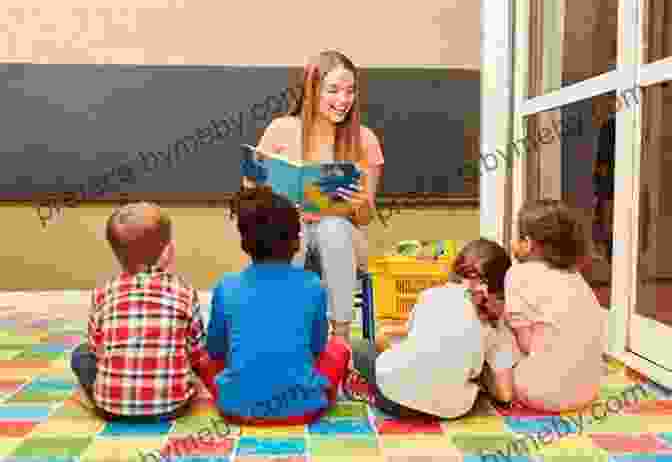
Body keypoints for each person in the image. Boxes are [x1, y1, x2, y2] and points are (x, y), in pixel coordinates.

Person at [245, 50, 385, 343]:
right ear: (312, 90)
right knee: (292, 227)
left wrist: (360, 204)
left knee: (332, 228)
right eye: (333, 90)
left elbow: (366, 218)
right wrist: (272, 198)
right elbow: (251, 191)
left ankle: (341, 338)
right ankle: (283, 332)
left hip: (343, 239)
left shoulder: (365, 139)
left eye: (350, 91)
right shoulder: (281, 130)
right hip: (291, 231)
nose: (343, 100)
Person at [206, 186, 351, 425]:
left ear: (245, 243)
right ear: (296, 242)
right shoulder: (313, 285)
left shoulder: (226, 286)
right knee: (340, 349)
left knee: (203, 357)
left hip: (236, 408)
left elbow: (215, 351)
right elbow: (317, 349)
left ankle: (242, 390)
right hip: (303, 408)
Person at [70, 202, 218, 420]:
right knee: (183, 349)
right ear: (167, 252)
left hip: (111, 410)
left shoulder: (103, 292)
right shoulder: (184, 291)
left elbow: (96, 350)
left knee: (81, 354)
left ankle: (111, 392)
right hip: (171, 408)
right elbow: (197, 352)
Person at [345, 239, 521, 419]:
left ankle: (368, 390)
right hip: (452, 409)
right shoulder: (496, 324)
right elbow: (505, 394)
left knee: (359, 347)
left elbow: (407, 338)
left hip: (394, 401)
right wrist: (481, 377)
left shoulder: (429, 295)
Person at [506, 199, 605, 412]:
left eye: (518, 238)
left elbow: (525, 344)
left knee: (500, 332)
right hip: (588, 391)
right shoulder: (576, 277)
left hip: (542, 393)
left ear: (528, 243)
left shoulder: (518, 274)